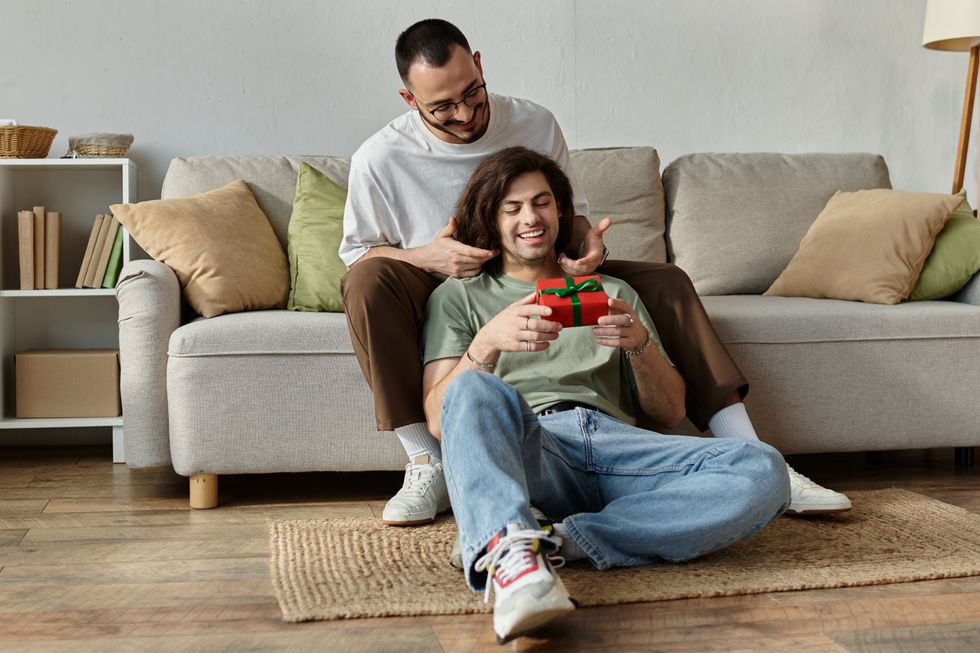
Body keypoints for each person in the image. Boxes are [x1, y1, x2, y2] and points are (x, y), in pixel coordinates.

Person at [340, 18, 849, 526]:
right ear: (410, 100)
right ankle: (429, 460)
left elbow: (572, 215)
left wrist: (588, 247)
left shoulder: (535, 122)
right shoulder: (380, 158)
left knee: (667, 281)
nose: (466, 113)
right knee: (367, 282)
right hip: (434, 274)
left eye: (473, 93)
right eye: (443, 107)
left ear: (479, 65)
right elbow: (357, 252)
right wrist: (427, 259)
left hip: (553, 287)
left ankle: (754, 451)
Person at [420, 146, 790, 643]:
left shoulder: (614, 292)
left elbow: (671, 412)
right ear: (491, 219)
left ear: (561, 210)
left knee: (763, 467)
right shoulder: (459, 297)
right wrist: (485, 344)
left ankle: (562, 539)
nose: (530, 218)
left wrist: (640, 347)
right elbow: (443, 418)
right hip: (536, 446)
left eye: (542, 202)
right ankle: (516, 570)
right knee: (470, 386)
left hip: (620, 446)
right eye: (512, 208)